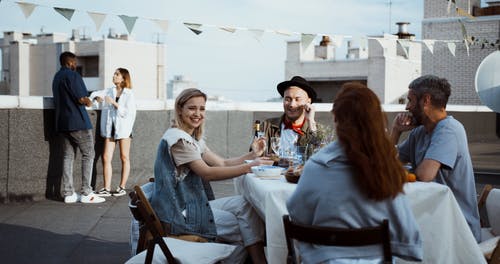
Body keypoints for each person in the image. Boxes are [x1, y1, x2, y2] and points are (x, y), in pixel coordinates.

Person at [287, 82, 423, 263]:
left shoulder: (316, 167)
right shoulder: (386, 170)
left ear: (336, 119)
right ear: (376, 121)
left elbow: (298, 215)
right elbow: (407, 236)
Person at [150, 88, 269, 263]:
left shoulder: (192, 139)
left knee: (244, 205)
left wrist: (252, 155)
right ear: (180, 110)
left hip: (191, 203)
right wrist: (249, 168)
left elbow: (221, 163)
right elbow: (208, 173)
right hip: (180, 212)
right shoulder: (179, 140)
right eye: (192, 108)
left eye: (202, 109)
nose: (198, 113)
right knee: (245, 227)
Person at [390, 75, 481, 242]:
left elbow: (425, 176)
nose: (407, 107)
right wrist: (396, 131)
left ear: (426, 100)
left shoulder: (449, 130)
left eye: (410, 100)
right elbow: (385, 164)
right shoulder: (419, 133)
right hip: (432, 219)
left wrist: (404, 172)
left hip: (457, 230)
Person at [52, 51, 105, 204]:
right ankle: (87, 192)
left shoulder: (56, 77)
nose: (76, 65)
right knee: (89, 153)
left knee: (68, 156)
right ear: (70, 63)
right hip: (78, 122)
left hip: (62, 123)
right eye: (75, 62)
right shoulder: (73, 76)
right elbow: (82, 99)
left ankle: (68, 193)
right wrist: (92, 101)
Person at [91, 68, 137, 197]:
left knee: (124, 157)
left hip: (124, 129)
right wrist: (97, 98)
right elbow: (94, 94)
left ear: (123, 78)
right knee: (106, 157)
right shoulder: (109, 91)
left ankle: (121, 187)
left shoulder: (129, 94)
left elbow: (129, 113)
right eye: (114, 74)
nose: (114, 76)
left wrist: (114, 103)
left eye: (117, 74)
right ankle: (106, 188)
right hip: (110, 128)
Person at [261, 76, 319, 155]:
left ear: (308, 101)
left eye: (297, 99)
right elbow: (254, 158)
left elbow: (321, 158)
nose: (292, 104)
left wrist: (311, 122)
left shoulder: (315, 129)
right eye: (287, 99)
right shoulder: (267, 126)